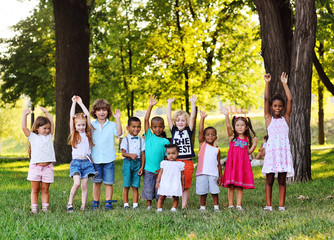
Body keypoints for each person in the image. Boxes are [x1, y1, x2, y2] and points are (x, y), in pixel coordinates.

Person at [262, 72, 294, 212]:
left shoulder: (285, 118)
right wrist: (267, 83)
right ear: (271, 107)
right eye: (275, 106)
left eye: (280, 106)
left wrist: (284, 84)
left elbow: (290, 99)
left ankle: (281, 206)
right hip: (271, 154)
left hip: (283, 154)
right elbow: (265, 99)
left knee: (282, 180)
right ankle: (268, 206)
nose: (277, 108)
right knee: (269, 180)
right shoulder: (268, 118)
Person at [220, 108, 258, 211]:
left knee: (239, 186)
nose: (240, 127)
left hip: (241, 165)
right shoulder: (232, 137)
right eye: (237, 125)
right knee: (231, 186)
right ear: (234, 127)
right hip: (232, 164)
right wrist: (226, 116)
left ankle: (238, 205)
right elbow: (228, 126)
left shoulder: (247, 139)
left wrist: (254, 145)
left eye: (242, 125)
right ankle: (231, 204)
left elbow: (248, 152)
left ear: (246, 127)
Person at [22, 107, 56, 213]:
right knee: (35, 189)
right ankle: (34, 208)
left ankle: (45, 208)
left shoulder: (49, 136)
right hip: (35, 168)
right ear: (37, 128)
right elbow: (24, 128)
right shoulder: (32, 137)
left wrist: (46, 113)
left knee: (45, 189)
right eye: (44, 128)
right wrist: (25, 115)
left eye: (48, 128)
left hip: (48, 168)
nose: (47, 130)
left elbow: (52, 124)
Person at [90, 99, 122, 210]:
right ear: (95, 112)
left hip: (109, 159)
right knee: (96, 182)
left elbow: (119, 133)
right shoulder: (91, 125)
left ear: (108, 111)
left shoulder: (112, 124)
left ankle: (108, 202)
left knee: (108, 182)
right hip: (95, 159)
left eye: (104, 110)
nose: (101, 112)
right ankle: (96, 202)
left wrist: (118, 119)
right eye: (99, 110)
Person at [166, 95, 197, 209]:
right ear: (175, 122)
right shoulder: (173, 130)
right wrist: (169, 104)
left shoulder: (189, 130)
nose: (180, 122)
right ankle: (175, 205)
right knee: (176, 184)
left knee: (186, 185)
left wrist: (193, 103)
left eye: (183, 120)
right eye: (178, 120)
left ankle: (184, 206)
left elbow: (193, 117)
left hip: (187, 162)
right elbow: (168, 118)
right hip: (176, 161)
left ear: (186, 122)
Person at [66, 96, 96, 212]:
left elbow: (87, 115)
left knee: (84, 185)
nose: (81, 127)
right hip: (77, 163)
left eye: (83, 125)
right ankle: (70, 203)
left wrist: (81, 103)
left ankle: (83, 205)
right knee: (77, 183)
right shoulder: (74, 134)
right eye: (79, 125)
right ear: (75, 126)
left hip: (87, 162)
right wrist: (74, 103)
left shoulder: (87, 133)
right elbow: (71, 116)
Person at [142, 95, 170, 210]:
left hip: (160, 170)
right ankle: (149, 206)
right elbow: (145, 120)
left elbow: (166, 157)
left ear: (163, 127)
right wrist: (150, 106)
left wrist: (162, 169)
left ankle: (159, 206)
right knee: (148, 188)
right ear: (152, 128)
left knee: (159, 189)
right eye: (155, 127)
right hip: (148, 169)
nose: (157, 129)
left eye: (160, 127)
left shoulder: (165, 141)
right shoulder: (148, 136)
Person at [196, 111, 222, 212]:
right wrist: (202, 118)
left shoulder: (217, 149)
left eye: (212, 134)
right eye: (207, 134)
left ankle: (216, 207)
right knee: (203, 192)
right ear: (204, 136)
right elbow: (200, 131)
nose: (210, 136)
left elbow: (218, 163)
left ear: (216, 137)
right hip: (202, 173)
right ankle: (202, 207)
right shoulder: (202, 144)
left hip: (213, 174)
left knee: (214, 192)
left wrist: (220, 175)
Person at [120, 116, 145, 210]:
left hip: (137, 163)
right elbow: (123, 153)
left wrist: (142, 167)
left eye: (138, 127)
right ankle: (126, 204)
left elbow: (143, 154)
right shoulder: (125, 139)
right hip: (128, 163)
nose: (136, 129)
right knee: (126, 185)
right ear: (128, 127)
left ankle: (135, 204)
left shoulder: (141, 140)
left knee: (135, 185)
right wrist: (130, 155)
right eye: (133, 126)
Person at [155, 144, 185, 212]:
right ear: (166, 154)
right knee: (162, 196)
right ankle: (159, 208)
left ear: (178, 153)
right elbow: (160, 173)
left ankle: (173, 208)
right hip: (165, 183)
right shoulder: (164, 163)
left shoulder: (180, 164)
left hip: (175, 183)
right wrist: (157, 182)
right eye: (169, 154)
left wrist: (183, 184)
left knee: (176, 197)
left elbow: (182, 175)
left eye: (173, 153)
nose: (171, 155)